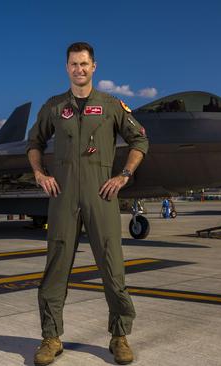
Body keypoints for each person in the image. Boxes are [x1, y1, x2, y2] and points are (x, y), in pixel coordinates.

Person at [26, 42, 149, 366]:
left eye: (84, 64)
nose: (79, 69)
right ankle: (51, 338)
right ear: (66, 67)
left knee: (113, 268)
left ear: (94, 66)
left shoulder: (110, 106)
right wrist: (40, 174)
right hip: (63, 197)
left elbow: (140, 140)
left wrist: (123, 175)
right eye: (73, 64)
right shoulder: (54, 107)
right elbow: (34, 143)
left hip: (101, 195)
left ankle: (119, 336)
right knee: (55, 268)